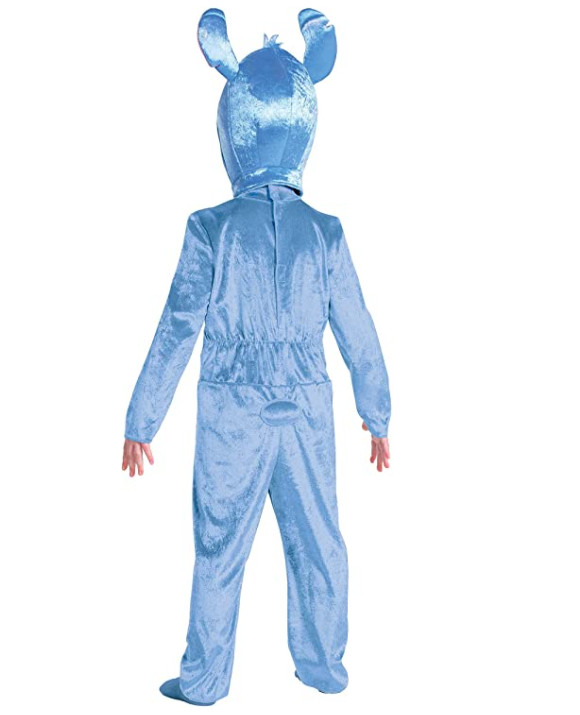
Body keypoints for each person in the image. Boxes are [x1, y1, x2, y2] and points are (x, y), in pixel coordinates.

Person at [122, 8, 391, 706]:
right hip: (305, 407)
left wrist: (141, 419)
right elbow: (358, 330)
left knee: (220, 548)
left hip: (231, 413)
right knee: (320, 542)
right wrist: (377, 413)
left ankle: (205, 680)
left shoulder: (210, 229)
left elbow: (177, 327)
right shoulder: (325, 233)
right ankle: (323, 667)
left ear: (232, 132)